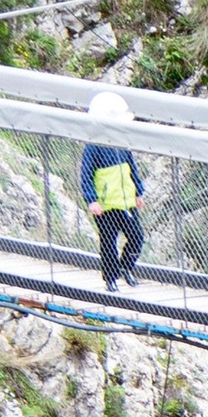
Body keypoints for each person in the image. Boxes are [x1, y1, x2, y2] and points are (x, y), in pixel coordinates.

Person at [78, 88, 144, 292]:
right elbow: (86, 174)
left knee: (137, 236)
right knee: (108, 240)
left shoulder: (123, 144)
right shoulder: (94, 146)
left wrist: (138, 192)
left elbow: (132, 168)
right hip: (105, 205)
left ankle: (126, 267)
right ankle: (111, 278)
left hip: (125, 202)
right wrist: (92, 200)